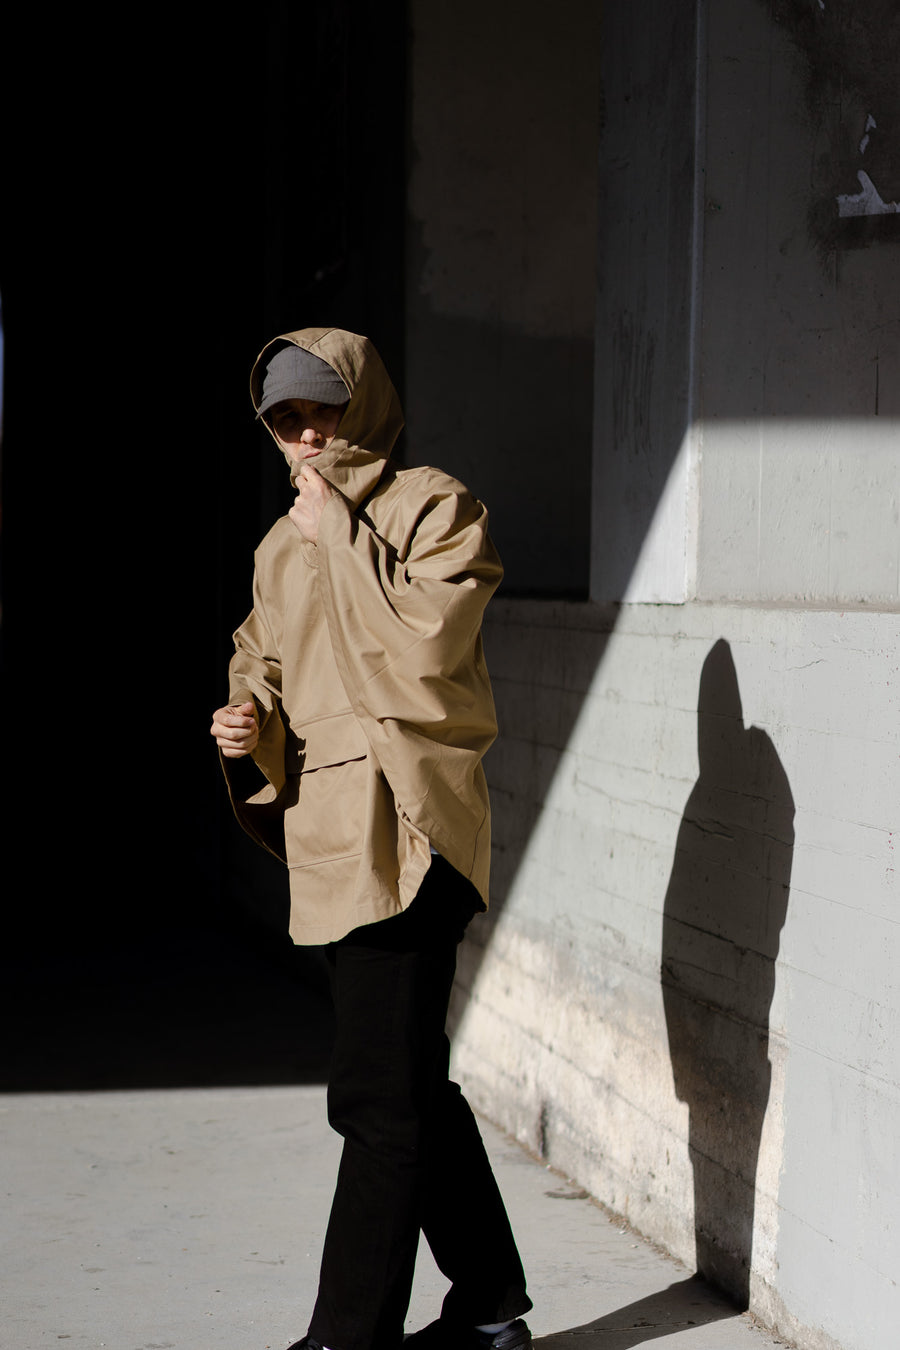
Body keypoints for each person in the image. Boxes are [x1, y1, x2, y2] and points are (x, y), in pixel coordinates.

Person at [210, 328, 531, 1350]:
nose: (307, 438)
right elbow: (262, 656)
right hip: (334, 839)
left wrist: (337, 533)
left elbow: (428, 654)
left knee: (375, 1100)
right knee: (408, 1083)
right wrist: (243, 717)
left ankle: (349, 1336)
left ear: (366, 406)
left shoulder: (434, 506)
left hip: (417, 830)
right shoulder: (279, 544)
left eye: (324, 412)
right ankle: (488, 1307)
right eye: (285, 421)